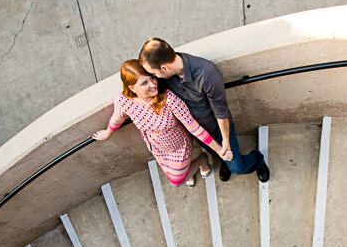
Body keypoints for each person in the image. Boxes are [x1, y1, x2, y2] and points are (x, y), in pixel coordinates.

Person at [139, 38, 270, 183]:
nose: (154, 79)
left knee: (237, 167)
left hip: (216, 128)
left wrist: (225, 141)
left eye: (154, 74)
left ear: (164, 68)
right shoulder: (164, 76)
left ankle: (258, 160)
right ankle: (224, 161)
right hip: (195, 130)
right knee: (214, 152)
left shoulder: (206, 73)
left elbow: (221, 112)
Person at [93, 60, 232, 187]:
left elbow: (194, 127)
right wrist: (108, 132)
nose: (153, 84)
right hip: (156, 148)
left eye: (152, 78)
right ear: (132, 88)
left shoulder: (169, 99)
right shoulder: (124, 101)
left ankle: (201, 161)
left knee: (177, 181)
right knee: (173, 173)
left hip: (178, 146)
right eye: (144, 83)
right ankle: (192, 168)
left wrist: (219, 150)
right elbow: (117, 118)